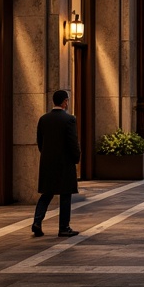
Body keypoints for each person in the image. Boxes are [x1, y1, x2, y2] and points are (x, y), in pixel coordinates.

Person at [32, 88, 81, 238]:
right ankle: (64, 227)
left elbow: (40, 141)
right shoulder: (69, 119)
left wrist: (46, 155)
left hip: (47, 162)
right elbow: (73, 142)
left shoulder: (43, 119)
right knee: (65, 195)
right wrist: (76, 158)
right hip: (64, 163)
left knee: (46, 194)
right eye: (67, 100)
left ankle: (37, 222)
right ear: (65, 101)